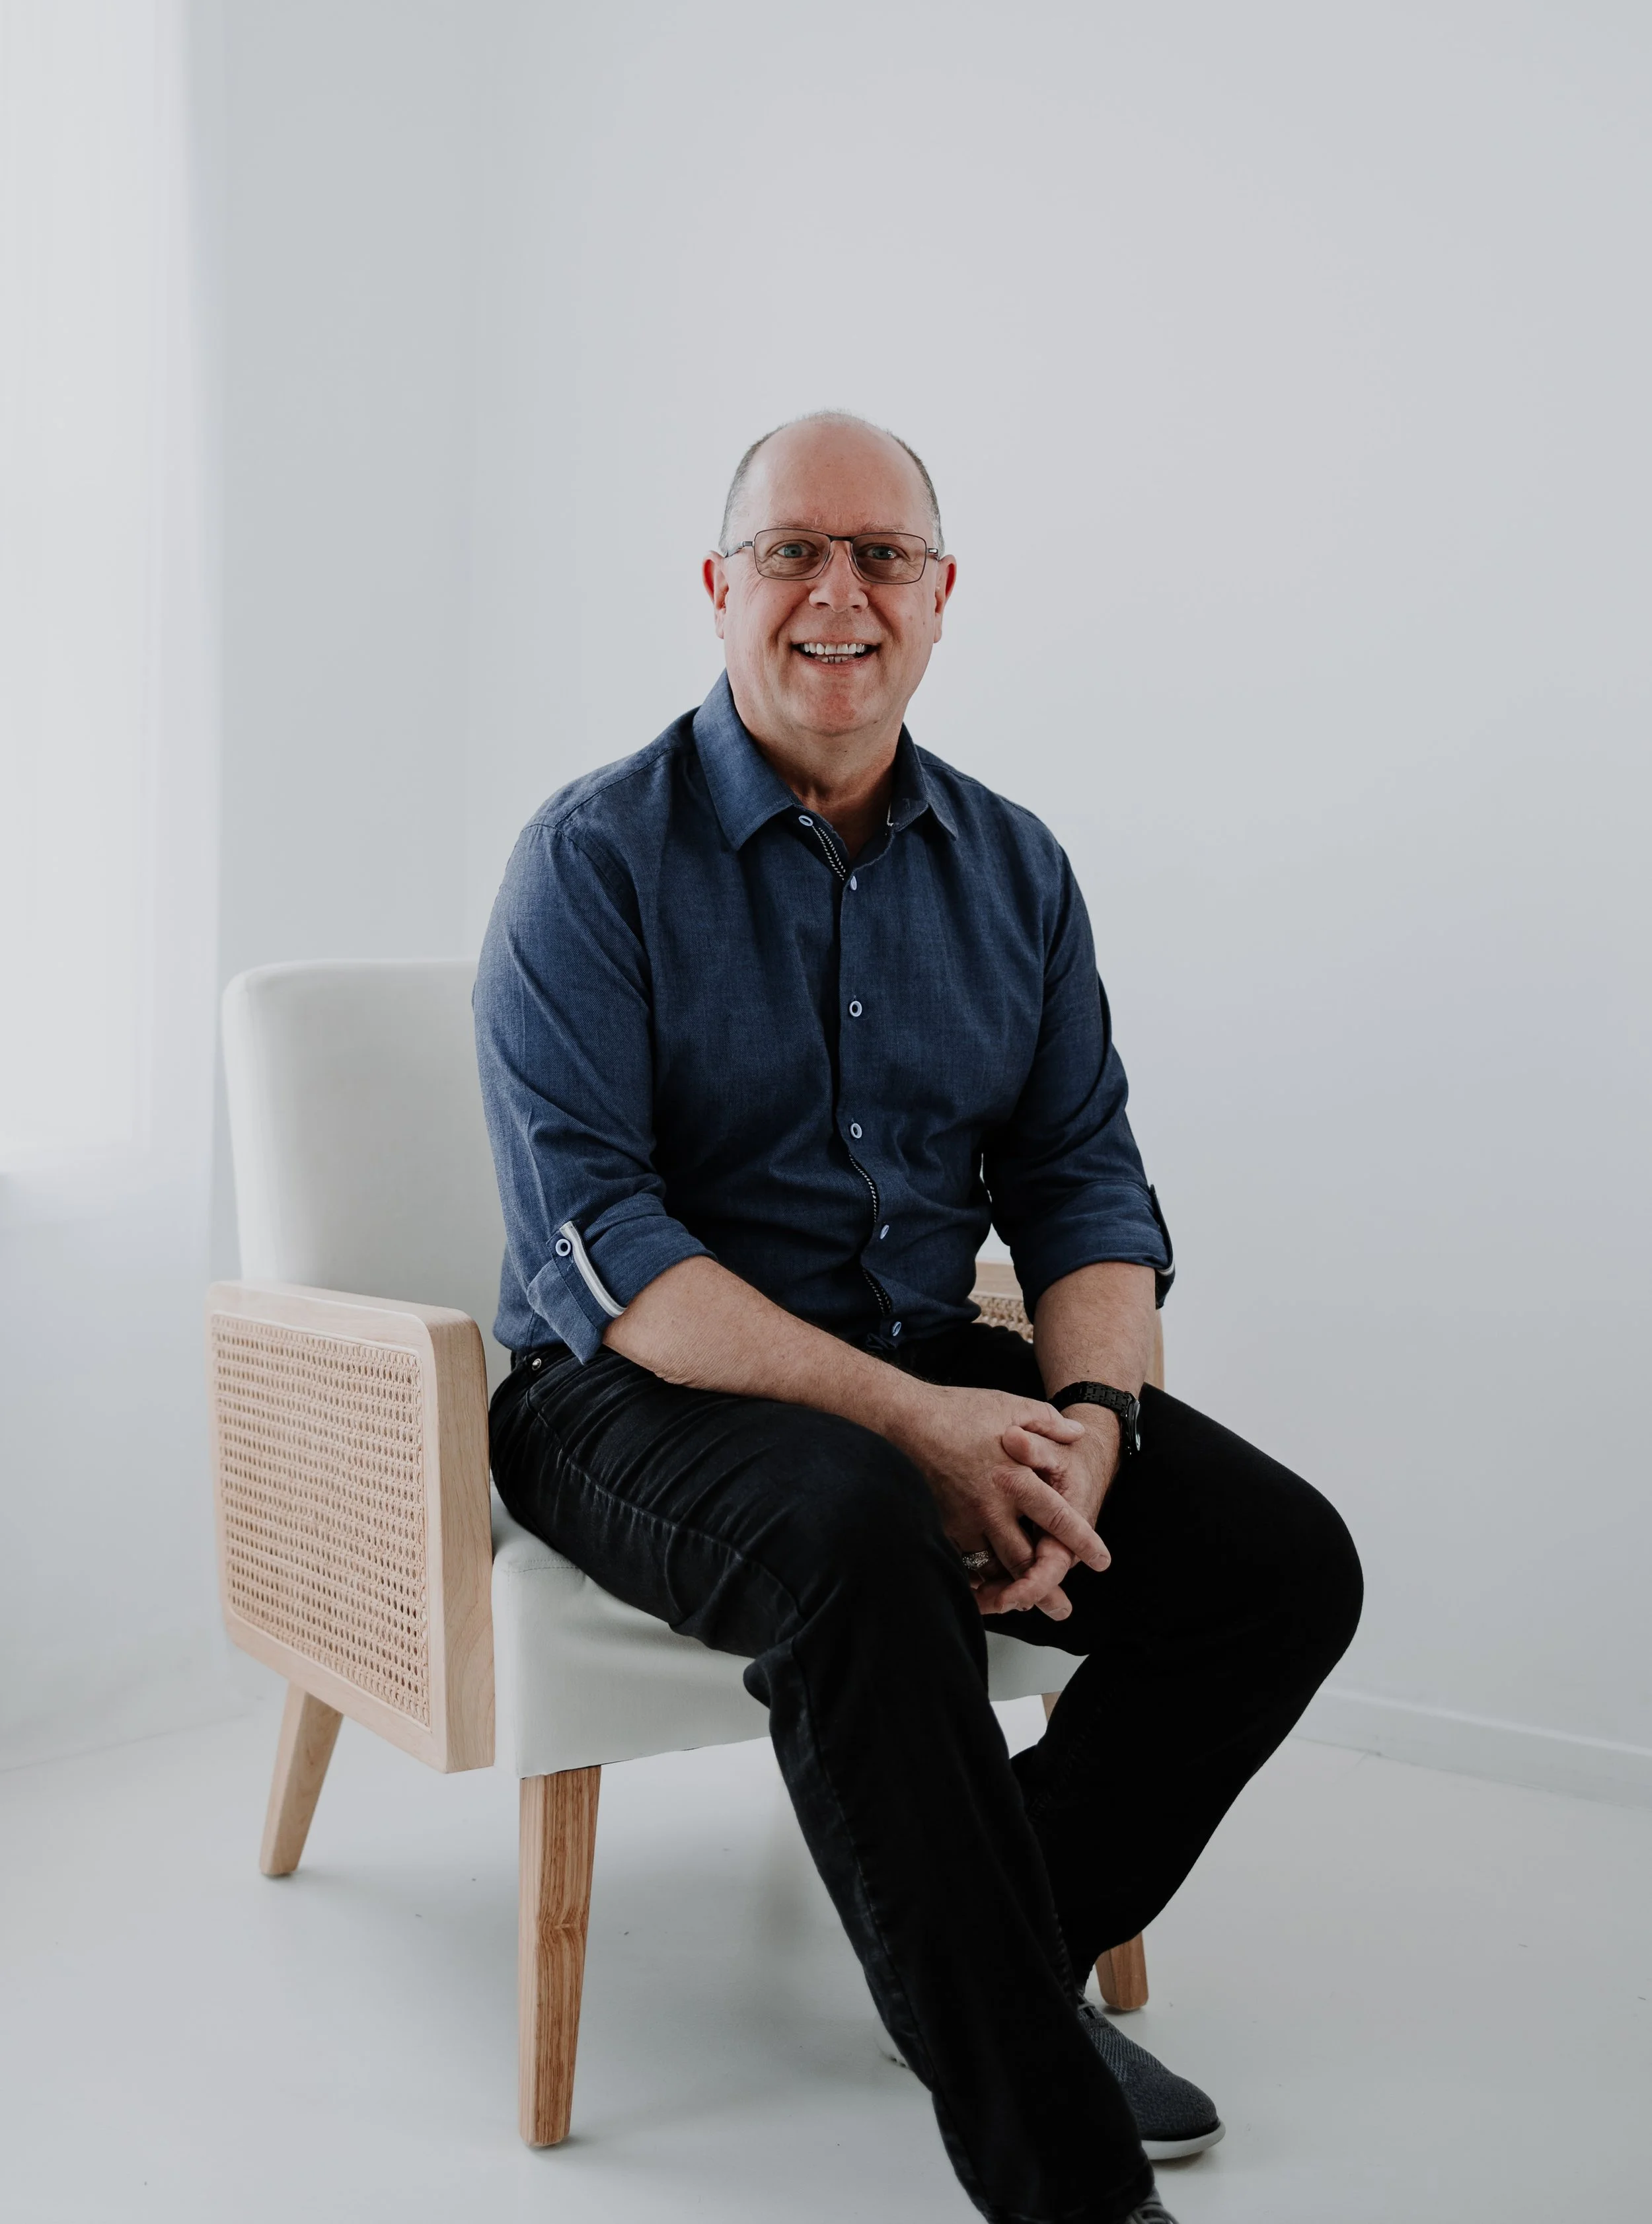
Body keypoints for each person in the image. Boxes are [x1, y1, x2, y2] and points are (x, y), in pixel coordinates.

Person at [476, 411, 1362, 2224]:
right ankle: (1063, 2175)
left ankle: (973, 1949)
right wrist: (919, 1428)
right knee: (859, 1528)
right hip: (628, 1391)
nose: (837, 590)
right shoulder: (589, 859)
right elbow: (611, 1248)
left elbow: (1081, 1188)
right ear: (717, 588)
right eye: (791, 549)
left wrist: (1088, 1433)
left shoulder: (1015, 868)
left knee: (1282, 1562)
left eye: (881, 554)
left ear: (941, 598)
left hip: (908, 1352)